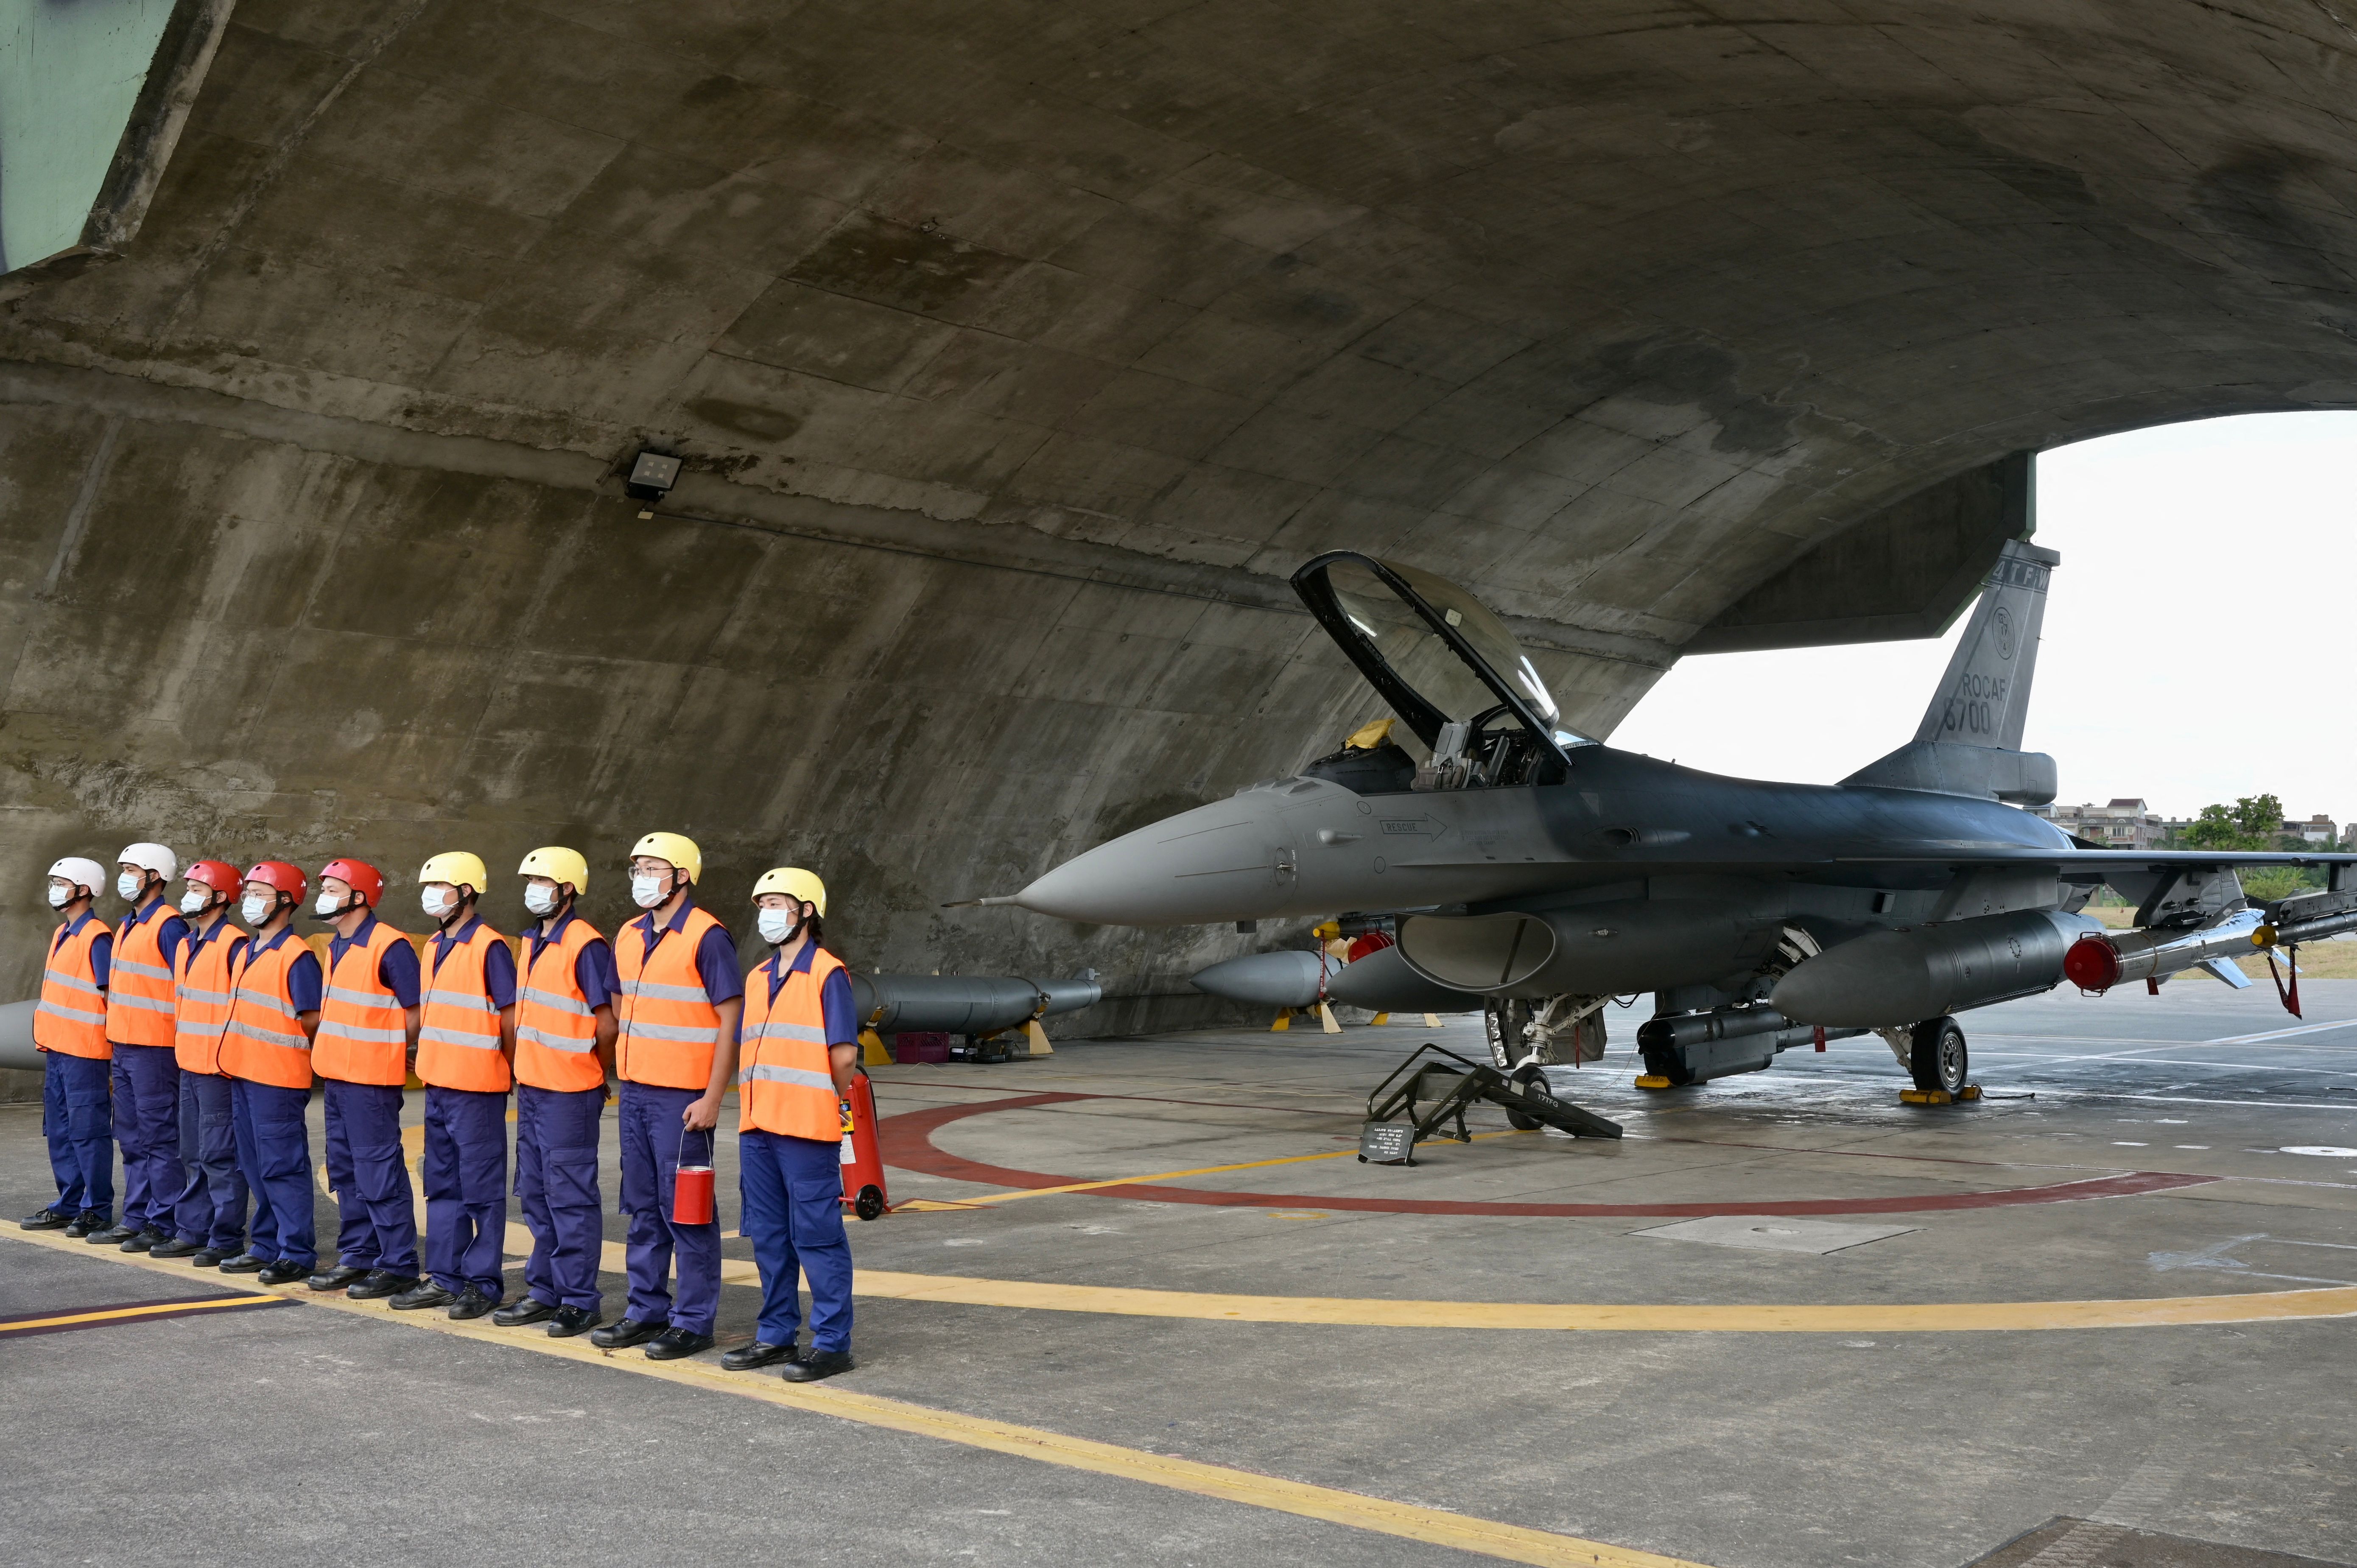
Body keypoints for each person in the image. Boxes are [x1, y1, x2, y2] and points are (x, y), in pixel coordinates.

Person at [593, 832, 741, 1361]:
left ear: (682, 875)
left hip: (682, 1100)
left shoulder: (707, 936)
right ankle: (645, 1309)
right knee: (643, 1208)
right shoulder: (629, 934)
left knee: (688, 1212)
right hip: (635, 1093)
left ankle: (693, 1319)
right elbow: (618, 1003)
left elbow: (729, 1023)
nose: (642, 878)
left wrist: (712, 1097)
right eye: (637, 868)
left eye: (654, 868)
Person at [722, 869, 859, 1381]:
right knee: (770, 1238)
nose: (767, 913)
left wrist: (822, 1100)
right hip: (759, 1128)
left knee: (818, 1238)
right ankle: (776, 1335)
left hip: (805, 1130)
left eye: (778, 902)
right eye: (763, 903)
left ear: (806, 910)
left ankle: (831, 1343)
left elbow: (842, 1056)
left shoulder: (828, 973)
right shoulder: (758, 977)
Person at [493, 847, 619, 1339]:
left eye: (543, 880)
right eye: (530, 879)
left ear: (567, 888)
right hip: (535, 1088)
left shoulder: (585, 944)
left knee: (570, 1197)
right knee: (538, 1195)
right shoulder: (533, 941)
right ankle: (545, 1290)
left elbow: (606, 1023)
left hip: (569, 1090)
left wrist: (591, 1068)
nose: (533, 888)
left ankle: (579, 1299)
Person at [392, 852, 514, 1320]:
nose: (431, 895)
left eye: (441, 885)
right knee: (442, 1184)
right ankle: (445, 1277)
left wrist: (502, 1067)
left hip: (477, 1086)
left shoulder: (489, 947)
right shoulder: (436, 946)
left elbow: (509, 1018)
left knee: (480, 1187)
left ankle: (482, 1282)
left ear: (466, 891)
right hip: (439, 1083)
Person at [309, 858, 423, 1300]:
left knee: (378, 1171)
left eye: (334, 887)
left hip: (370, 1081)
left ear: (359, 896)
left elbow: (415, 1012)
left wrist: (391, 1050)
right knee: (346, 1170)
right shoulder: (338, 946)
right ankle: (358, 1255)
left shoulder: (389, 945)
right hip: (339, 1077)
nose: (325, 894)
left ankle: (397, 1264)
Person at [216, 862, 323, 1285]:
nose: (249, 900)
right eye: (249, 892)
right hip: (244, 1072)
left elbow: (312, 1019)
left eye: (260, 892)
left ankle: (296, 1251)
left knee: (284, 1166)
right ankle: (265, 1245)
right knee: (254, 1165)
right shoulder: (248, 949)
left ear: (284, 900)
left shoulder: (298, 956)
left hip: (277, 1080)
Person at [91, 843, 190, 1250]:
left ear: (155, 876)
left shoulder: (170, 926)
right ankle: (137, 1215)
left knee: (159, 1138)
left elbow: (186, 991)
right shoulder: (128, 925)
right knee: (131, 1137)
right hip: (126, 1047)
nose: (124, 877)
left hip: (157, 1050)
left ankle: (163, 1220)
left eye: (132, 869)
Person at [152, 860, 249, 1264]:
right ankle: (194, 1228)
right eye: (188, 886)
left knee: (220, 1155)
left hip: (219, 1070)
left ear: (222, 897)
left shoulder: (235, 944)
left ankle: (225, 1236)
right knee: (191, 1152)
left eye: (197, 888)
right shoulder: (185, 944)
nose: (188, 894)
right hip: (190, 1064)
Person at [19, 857, 116, 1236]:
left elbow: (112, 998)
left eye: (61, 882)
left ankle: (96, 1209)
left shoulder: (97, 937)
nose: (54, 889)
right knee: (59, 1129)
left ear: (84, 889)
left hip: (86, 1053)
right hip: (59, 1050)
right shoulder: (64, 933)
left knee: (88, 1130)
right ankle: (70, 1202)